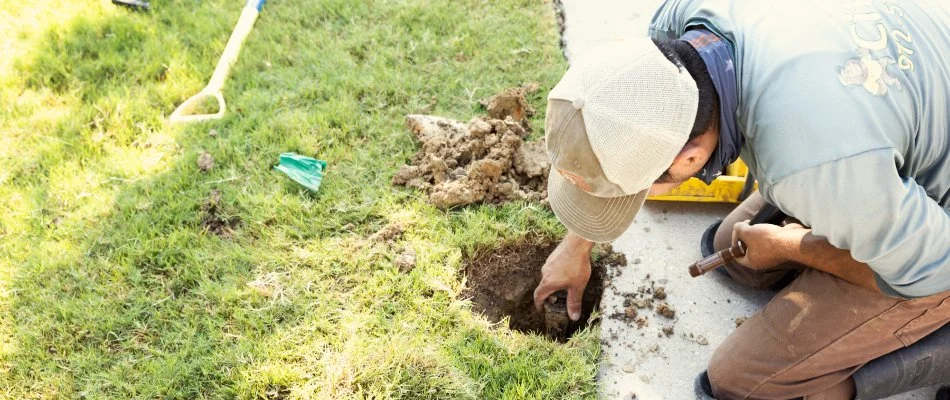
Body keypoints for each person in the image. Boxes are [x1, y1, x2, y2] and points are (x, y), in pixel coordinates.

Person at [532, 0, 950, 398]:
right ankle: (866, 226)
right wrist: (576, 246)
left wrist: (793, 247)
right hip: (892, 108)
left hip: (937, 245)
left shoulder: (806, 166)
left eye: (641, 187)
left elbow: (936, 269)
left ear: (691, 156)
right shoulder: (680, 29)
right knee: (730, 250)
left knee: (741, 381)